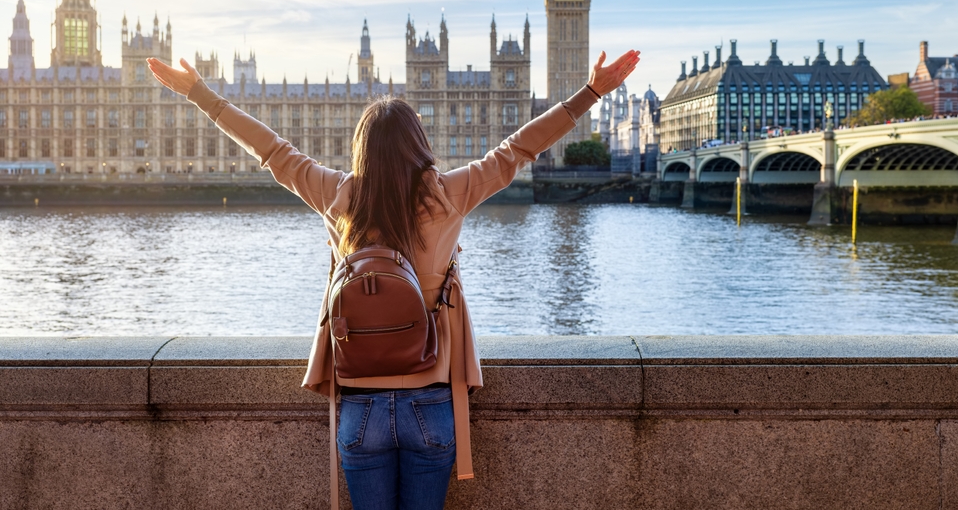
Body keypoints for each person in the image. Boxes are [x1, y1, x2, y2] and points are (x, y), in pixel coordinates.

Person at [147, 47, 639, 510]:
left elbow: (273, 151)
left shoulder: (338, 196)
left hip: (360, 406)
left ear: (361, 148)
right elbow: (517, 150)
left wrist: (199, 94)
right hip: (432, 401)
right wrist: (591, 92)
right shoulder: (449, 195)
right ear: (418, 144)